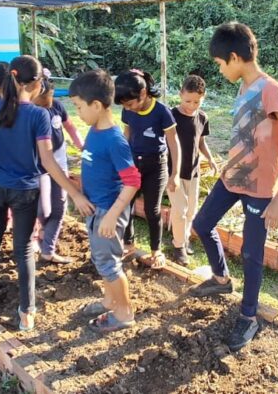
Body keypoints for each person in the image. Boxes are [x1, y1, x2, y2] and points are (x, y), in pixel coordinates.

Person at [188, 22, 278, 351]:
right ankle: (221, 279)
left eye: (220, 63)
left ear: (234, 57)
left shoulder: (270, 89)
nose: (220, 70)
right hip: (234, 177)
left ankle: (249, 316)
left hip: (260, 187)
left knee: (252, 253)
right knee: (202, 223)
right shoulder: (244, 86)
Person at [0, 55, 93, 331]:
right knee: (24, 248)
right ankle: (27, 310)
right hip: (25, 192)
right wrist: (75, 193)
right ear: (38, 83)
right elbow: (48, 162)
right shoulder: (38, 115)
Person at [69, 69, 141, 332]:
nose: (77, 113)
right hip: (96, 209)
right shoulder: (94, 131)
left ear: (97, 105)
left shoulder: (114, 140)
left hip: (108, 212)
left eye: (79, 107)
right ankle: (110, 300)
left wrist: (111, 215)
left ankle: (124, 313)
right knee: (102, 260)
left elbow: (133, 181)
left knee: (109, 264)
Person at [115, 69, 180, 269]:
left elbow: (173, 142)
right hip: (133, 164)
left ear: (143, 94)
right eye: (124, 106)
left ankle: (156, 250)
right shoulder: (128, 110)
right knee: (126, 205)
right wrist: (120, 162)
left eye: (130, 104)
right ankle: (128, 244)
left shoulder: (162, 112)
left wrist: (175, 174)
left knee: (152, 210)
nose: (128, 108)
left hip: (156, 166)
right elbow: (127, 135)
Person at [30, 68, 84, 264]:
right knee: (43, 209)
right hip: (38, 166)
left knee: (59, 206)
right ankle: (36, 235)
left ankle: (48, 249)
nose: (49, 102)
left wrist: (82, 146)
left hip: (59, 161)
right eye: (45, 99)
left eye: (51, 97)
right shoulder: (30, 113)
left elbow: (70, 127)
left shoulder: (57, 107)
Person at [168, 74, 218, 265]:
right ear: (180, 94)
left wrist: (210, 158)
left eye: (196, 101)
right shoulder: (171, 116)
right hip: (174, 172)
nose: (191, 105)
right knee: (179, 210)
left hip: (193, 171)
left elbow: (201, 142)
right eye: (188, 101)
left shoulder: (202, 117)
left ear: (203, 97)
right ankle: (178, 246)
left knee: (190, 211)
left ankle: (185, 238)